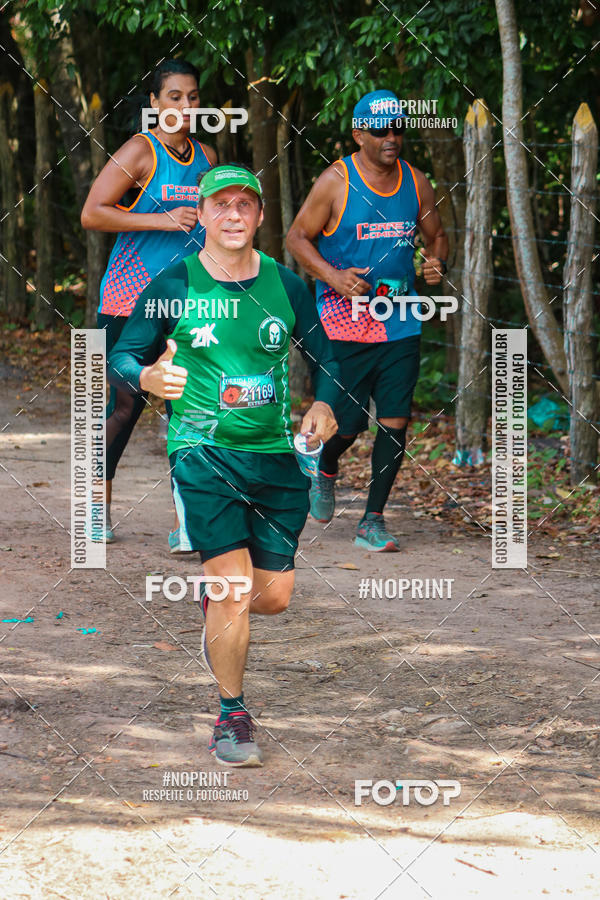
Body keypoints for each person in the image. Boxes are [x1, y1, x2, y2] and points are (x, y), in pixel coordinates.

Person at [108, 164, 339, 767]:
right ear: (203, 215)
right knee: (234, 589)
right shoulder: (172, 282)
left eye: (245, 205)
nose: (232, 215)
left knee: (272, 598)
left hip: (273, 456)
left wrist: (322, 402)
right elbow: (126, 353)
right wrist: (149, 376)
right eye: (220, 205)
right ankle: (232, 716)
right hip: (201, 450)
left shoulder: (287, 286)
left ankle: (220, 602)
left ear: (260, 216)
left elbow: (328, 356)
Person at [286, 89, 449, 551]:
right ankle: (325, 466)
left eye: (398, 127)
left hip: (399, 320)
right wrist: (333, 277)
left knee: (395, 421)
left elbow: (439, 236)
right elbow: (296, 238)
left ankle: (371, 520)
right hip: (342, 323)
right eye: (380, 130)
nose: (391, 137)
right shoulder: (335, 181)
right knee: (350, 424)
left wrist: (435, 262)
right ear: (359, 134)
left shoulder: (416, 183)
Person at [81, 58, 216, 545]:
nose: (184, 106)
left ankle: (186, 522)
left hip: (185, 304)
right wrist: (163, 219)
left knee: (191, 406)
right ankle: (96, 506)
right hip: (127, 301)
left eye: (193, 97)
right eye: (174, 97)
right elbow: (92, 213)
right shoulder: (141, 151)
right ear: (154, 104)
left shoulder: (207, 157)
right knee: (123, 404)